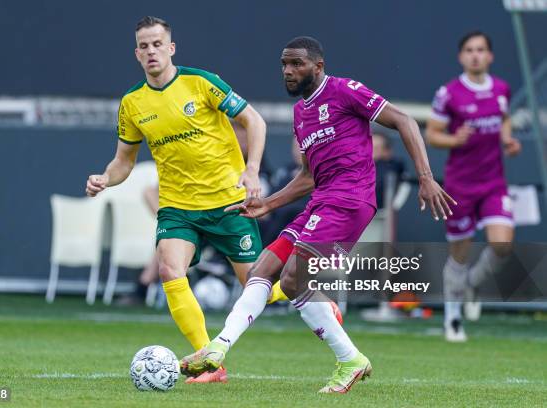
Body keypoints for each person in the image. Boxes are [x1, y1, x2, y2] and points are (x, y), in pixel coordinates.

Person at [181, 36, 455, 394]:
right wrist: (269, 203)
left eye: (296, 63)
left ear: (318, 66)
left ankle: (349, 359)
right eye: (284, 64)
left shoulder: (344, 90)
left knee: (294, 279)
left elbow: (405, 120)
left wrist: (426, 178)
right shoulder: (301, 113)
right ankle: (218, 347)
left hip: (351, 199)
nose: (288, 71)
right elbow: (309, 177)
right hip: (322, 201)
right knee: (263, 268)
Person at [85, 16, 285, 384]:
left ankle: (310, 297)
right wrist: (104, 178)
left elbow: (255, 121)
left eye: (157, 44)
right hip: (178, 207)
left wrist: (252, 169)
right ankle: (211, 362)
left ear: (171, 47)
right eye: (144, 46)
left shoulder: (201, 82)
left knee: (260, 289)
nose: (151, 51)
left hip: (228, 202)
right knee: (168, 270)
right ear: (136, 54)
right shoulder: (132, 103)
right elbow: (123, 162)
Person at [426, 31, 521, 342]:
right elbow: (432, 134)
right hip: (460, 185)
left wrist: (507, 139)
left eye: (481, 50)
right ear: (461, 56)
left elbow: (504, 118)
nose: (475, 55)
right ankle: (452, 320)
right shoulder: (449, 93)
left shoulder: (501, 89)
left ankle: (473, 284)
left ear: (490, 56)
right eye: (469, 50)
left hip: (494, 183)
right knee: (459, 253)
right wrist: (455, 139)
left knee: (502, 246)